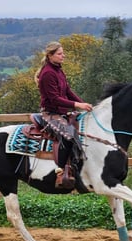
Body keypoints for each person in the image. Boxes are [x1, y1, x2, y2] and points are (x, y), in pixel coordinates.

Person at [34, 41, 92, 188]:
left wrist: (84, 104)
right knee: (68, 135)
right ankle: (60, 172)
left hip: (62, 112)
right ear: (50, 55)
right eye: (60, 54)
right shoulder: (47, 73)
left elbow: (68, 92)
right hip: (50, 113)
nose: (63, 56)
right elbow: (54, 99)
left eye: (63, 53)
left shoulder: (59, 71)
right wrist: (77, 105)